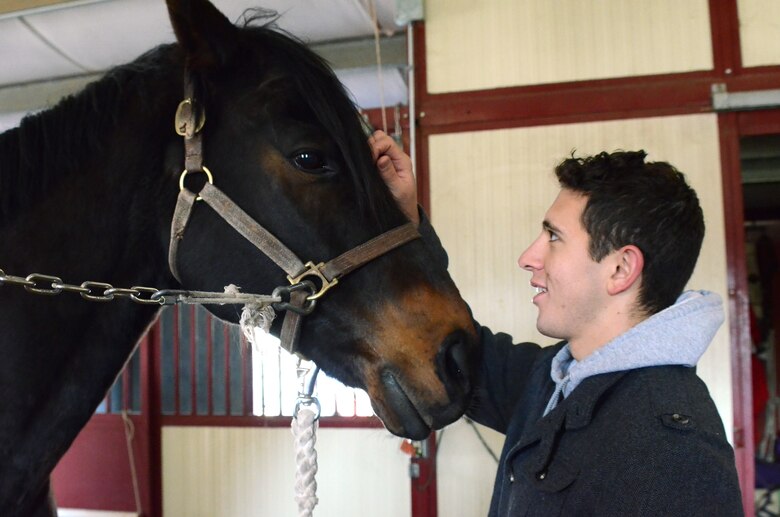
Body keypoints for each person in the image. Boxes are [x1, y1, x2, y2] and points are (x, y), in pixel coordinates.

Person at [370, 130, 744, 516]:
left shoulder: (674, 453)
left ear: (620, 268)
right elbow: (456, 352)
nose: (528, 257)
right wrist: (402, 219)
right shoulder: (557, 378)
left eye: (553, 236)